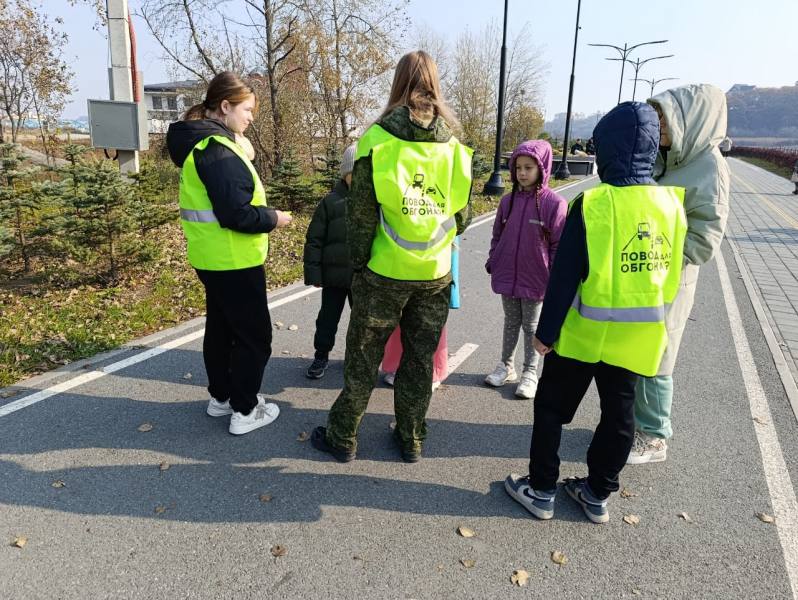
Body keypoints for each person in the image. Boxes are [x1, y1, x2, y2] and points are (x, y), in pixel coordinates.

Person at [504, 102, 687, 524]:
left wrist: (545, 333)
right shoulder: (670, 205)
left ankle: (541, 489)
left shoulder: (594, 204)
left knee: (552, 409)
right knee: (619, 417)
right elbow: (671, 276)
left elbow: (565, 276)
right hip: (637, 337)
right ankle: (597, 493)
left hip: (583, 333)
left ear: (606, 149)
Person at [310, 50, 473, 463]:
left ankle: (343, 436)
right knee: (419, 360)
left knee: (363, 359)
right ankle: (411, 437)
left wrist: (359, 264)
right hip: (434, 274)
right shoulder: (455, 148)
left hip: (382, 272)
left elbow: (360, 215)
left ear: (398, 83)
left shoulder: (377, 140)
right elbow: (463, 217)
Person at [166, 71, 292, 435]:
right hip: (235, 260)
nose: (251, 117)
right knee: (255, 337)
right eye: (247, 110)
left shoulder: (203, 146)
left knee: (221, 330)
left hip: (211, 258)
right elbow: (237, 214)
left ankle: (221, 398)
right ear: (225, 106)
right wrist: (274, 218)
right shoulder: (218, 152)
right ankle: (245, 409)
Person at [628, 84, 731, 465]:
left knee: (659, 357)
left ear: (691, 121)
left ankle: (655, 437)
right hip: (643, 273)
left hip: (671, 279)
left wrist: (660, 251)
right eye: (656, 118)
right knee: (636, 350)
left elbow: (704, 242)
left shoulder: (710, 168)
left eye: (665, 119)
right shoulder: (666, 158)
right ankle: (635, 425)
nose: (658, 127)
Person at [484, 140, 567, 399]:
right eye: (518, 167)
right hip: (507, 273)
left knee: (532, 326)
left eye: (528, 167)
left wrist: (552, 275)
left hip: (536, 278)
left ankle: (530, 372)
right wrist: (494, 258)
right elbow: (497, 235)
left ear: (542, 168)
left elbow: (558, 245)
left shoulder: (554, 204)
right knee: (511, 322)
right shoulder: (507, 202)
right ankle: (506, 366)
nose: (522, 173)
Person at [303, 144, 357, 379]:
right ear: (345, 174)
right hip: (333, 278)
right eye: (354, 173)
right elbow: (314, 240)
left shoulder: (373, 203)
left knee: (361, 323)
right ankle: (321, 355)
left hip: (361, 277)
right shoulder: (330, 202)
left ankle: (357, 359)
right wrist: (314, 274)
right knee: (327, 319)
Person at [381, 237, 461, 392]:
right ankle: (398, 366)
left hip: (435, 265)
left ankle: (432, 373)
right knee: (400, 318)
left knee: (430, 324)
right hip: (402, 263)